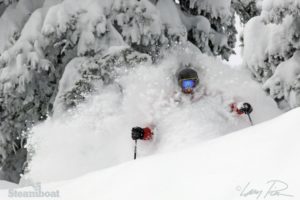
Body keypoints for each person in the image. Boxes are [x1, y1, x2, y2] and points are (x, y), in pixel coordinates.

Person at [131, 66, 253, 141]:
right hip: (182, 150)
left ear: (196, 83)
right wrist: (142, 133)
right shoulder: (171, 103)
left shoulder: (208, 95)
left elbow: (230, 106)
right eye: (185, 84)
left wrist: (241, 108)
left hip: (214, 143)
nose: (188, 88)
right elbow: (153, 128)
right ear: (179, 85)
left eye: (191, 84)